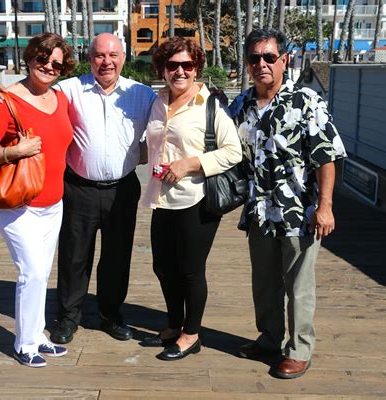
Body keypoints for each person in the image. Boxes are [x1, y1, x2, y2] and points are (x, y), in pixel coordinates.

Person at [0, 33, 156, 344]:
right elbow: (31, 92)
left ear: (123, 58)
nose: (106, 62)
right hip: (79, 186)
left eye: (113, 55)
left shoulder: (143, 95)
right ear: (89, 58)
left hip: (123, 188)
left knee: (118, 256)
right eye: (99, 55)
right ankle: (68, 317)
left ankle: (111, 314)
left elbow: (169, 116)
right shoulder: (67, 90)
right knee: (74, 256)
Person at [229, 29, 347, 379]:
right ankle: (269, 339)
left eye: (269, 57)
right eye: (254, 58)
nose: (261, 64)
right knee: (264, 284)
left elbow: (327, 157)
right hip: (258, 212)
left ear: (284, 60)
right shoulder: (242, 104)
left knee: (298, 287)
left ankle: (299, 349)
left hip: (299, 213)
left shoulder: (306, 101)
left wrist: (325, 206)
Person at [0, 33, 76, 368]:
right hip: (18, 204)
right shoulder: (5, 99)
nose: (48, 67)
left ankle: (38, 334)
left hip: (53, 203)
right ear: (30, 57)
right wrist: (15, 151)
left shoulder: (60, 97)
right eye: (43, 59)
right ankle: (25, 343)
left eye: (56, 64)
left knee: (41, 272)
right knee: (31, 272)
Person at [140, 37, 242, 361]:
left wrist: (190, 163)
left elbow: (233, 151)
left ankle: (191, 333)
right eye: (173, 65)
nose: (180, 71)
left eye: (187, 65)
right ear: (163, 69)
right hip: (161, 198)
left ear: (196, 67)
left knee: (190, 270)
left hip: (196, 199)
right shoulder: (157, 101)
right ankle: (173, 324)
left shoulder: (209, 104)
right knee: (163, 267)